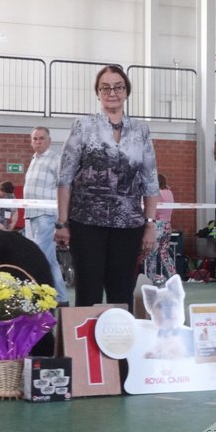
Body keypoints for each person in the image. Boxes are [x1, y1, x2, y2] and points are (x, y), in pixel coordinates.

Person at [55, 65, 159, 312]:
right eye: (105, 87)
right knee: (87, 293)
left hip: (129, 225)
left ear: (126, 92)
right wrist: (62, 223)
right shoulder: (83, 126)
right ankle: (83, 351)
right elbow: (65, 177)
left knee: (121, 295)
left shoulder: (141, 130)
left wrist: (151, 224)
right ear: (98, 92)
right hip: (86, 223)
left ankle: (118, 351)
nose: (112, 92)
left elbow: (150, 181)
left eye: (118, 87)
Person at [23, 126, 68, 306]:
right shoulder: (34, 160)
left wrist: (61, 218)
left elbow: (64, 187)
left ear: (49, 141)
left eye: (42, 138)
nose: (38, 142)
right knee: (48, 258)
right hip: (31, 214)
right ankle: (61, 298)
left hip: (46, 215)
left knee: (38, 256)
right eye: (35, 138)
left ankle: (39, 297)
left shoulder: (55, 160)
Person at [145, 174, 176, 284]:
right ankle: (173, 276)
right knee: (164, 253)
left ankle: (150, 279)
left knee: (152, 254)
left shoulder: (157, 193)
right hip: (168, 225)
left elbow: (153, 210)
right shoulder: (169, 192)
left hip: (157, 226)